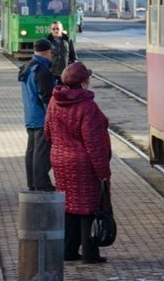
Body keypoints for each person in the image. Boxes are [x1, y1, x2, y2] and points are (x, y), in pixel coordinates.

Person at [44, 62, 111, 264]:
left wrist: (61, 149)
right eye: (87, 79)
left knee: (70, 205)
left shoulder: (54, 101)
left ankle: (68, 250)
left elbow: (47, 132)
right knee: (89, 206)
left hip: (60, 160)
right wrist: (102, 171)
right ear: (83, 83)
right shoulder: (87, 107)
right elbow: (94, 143)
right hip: (84, 163)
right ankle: (91, 253)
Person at [17, 38, 55, 192]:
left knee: (32, 151)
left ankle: (33, 182)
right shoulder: (42, 70)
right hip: (41, 117)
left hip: (30, 115)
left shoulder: (27, 66)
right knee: (41, 153)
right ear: (48, 51)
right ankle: (41, 184)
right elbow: (45, 96)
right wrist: (52, 116)